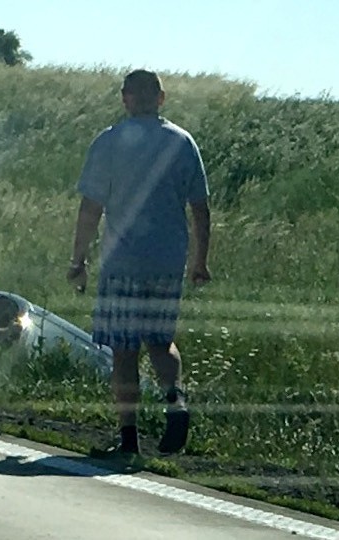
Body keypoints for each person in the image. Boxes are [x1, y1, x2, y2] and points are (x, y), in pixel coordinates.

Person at [67, 69, 212, 458]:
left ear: (125, 98)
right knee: (162, 340)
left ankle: (129, 439)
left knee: (124, 350)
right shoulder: (182, 143)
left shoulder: (110, 142)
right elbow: (200, 207)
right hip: (167, 260)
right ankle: (175, 400)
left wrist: (78, 259)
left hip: (124, 261)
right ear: (161, 99)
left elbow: (90, 208)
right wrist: (201, 260)